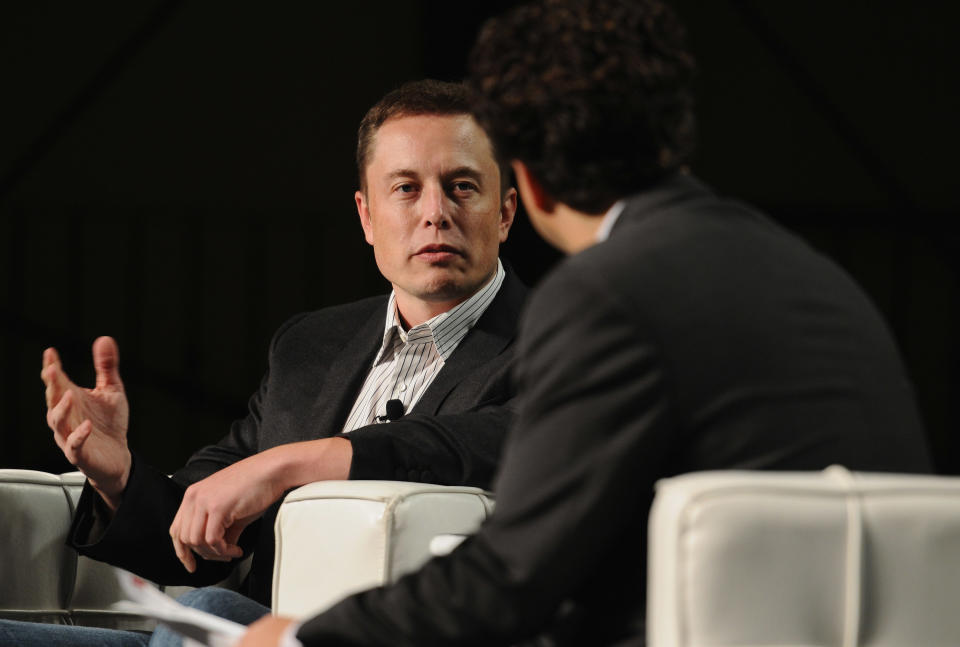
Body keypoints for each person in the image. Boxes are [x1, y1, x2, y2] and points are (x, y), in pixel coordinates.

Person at [238, 1, 934, 645]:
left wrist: (302, 635)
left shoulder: (607, 293)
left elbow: (508, 581)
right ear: (675, 139)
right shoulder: (818, 276)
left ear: (525, 188)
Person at [0, 79, 524, 647]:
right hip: (232, 639)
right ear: (367, 216)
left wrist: (289, 465)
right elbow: (201, 538)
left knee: (210, 609)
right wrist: (120, 477)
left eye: (462, 186)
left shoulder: (555, 342)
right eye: (405, 188)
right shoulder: (311, 346)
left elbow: (474, 444)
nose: (435, 214)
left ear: (504, 212)